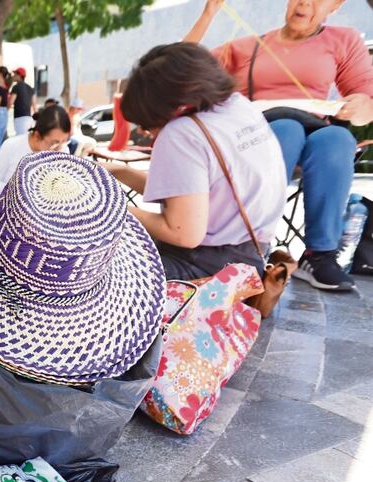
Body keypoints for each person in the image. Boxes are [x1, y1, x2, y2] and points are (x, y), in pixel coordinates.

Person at [185, 0, 373, 291]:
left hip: (314, 130)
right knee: (287, 130)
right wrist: (208, 13)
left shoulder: (344, 39)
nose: (305, 2)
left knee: (338, 139)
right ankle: (250, 246)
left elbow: (366, 98)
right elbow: (181, 66)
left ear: (335, 5)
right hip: (255, 133)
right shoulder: (248, 46)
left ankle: (320, 255)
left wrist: (359, 106)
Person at [110, 43, 286, 280]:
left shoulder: (181, 133)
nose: (144, 132)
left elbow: (183, 233)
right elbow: (191, 195)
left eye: (146, 124)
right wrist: (119, 171)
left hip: (207, 269)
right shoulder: (237, 107)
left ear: (166, 108)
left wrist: (108, 208)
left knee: (90, 270)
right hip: (251, 259)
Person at [0, 105, 71, 193]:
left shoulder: (63, 150)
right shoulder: (12, 145)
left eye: (64, 141)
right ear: (37, 136)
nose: (59, 147)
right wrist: (17, 193)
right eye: (54, 143)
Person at [9, 67, 35, 135]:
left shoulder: (16, 87)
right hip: (28, 118)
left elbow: (10, 102)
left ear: (19, 75)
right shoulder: (30, 88)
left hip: (20, 118)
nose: (13, 76)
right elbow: (34, 106)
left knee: (21, 138)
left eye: (15, 74)